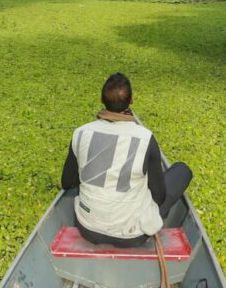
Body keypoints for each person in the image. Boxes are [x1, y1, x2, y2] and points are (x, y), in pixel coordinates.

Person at [60, 72, 193, 247]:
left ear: (102, 99)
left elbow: (67, 182)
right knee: (182, 170)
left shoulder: (81, 132)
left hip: (87, 228)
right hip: (133, 235)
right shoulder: (146, 138)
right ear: (131, 101)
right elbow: (159, 197)